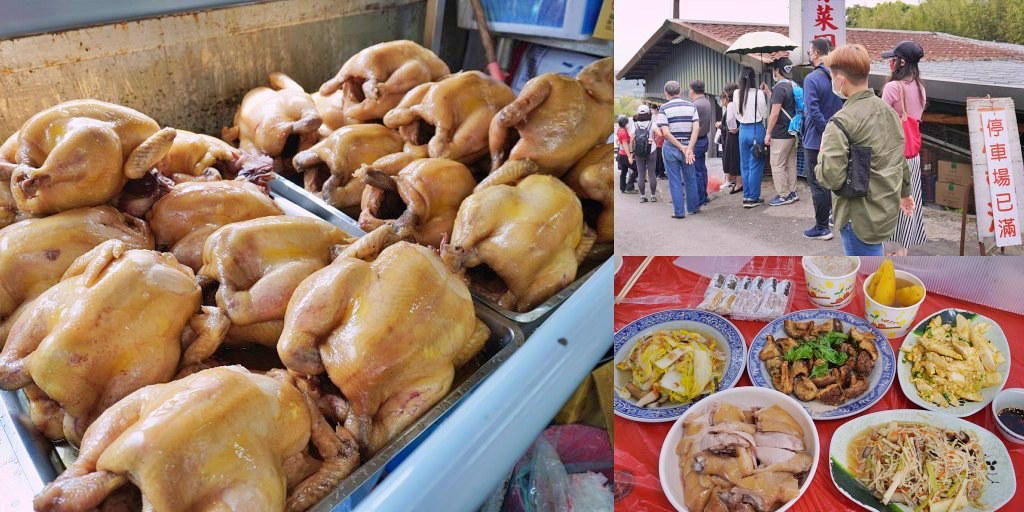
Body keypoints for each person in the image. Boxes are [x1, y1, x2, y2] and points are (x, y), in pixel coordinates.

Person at [815, 44, 913, 256]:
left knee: (865, 276)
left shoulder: (841, 121)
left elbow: (830, 177)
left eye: (832, 76)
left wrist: (820, 159)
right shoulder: (888, 112)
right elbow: (900, 158)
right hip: (884, 210)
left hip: (857, 216)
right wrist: (906, 192)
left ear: (840, 80)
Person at [881, 41, 927, 255]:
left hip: (893, 155)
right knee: (911, 198)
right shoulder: (920, 88)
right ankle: (903, 249)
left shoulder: (892, 88)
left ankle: (884, 247)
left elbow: (881, 121)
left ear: (900, 62)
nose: (890, 62)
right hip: (912, 153)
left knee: (887, 199)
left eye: (893, 59)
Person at [801, 37, 845, 239]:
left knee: (817, 182)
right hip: (836, 137)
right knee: (832, 181)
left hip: (815, 139)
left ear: (816, 53)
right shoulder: (837, 76)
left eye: (810, 52)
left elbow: (812, 110)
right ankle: (831, 217)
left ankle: (821, 227)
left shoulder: (812, 79)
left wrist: (825, 132)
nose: (809, 55)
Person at [656, 80, 700, 218]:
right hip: (688, 145)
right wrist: (688, 148)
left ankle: (679, 212)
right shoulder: (691, 106)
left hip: (671, 147)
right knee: (690, 178)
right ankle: (693, 208)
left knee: (674, 180)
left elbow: (666, 133)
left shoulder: (663, 108)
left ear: (666, 93)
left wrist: (681, 147)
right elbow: (696, 128)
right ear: (680, 91)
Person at [763, 57, 799, 206]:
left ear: (777, 71)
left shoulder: (779, 87)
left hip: (780, 133)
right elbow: (785, 104)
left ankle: (783, 195)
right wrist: (768, 93)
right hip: (792, 131)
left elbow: (775, 112)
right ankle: (792, 192)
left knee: (777, 164)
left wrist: (768, 132)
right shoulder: (793, 85)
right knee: (791, 162)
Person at [733, 66, 768, 208]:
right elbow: (765, 114)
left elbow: (737, 114)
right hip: (756, 129)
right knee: (756, 164)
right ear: (754, 78)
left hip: (743, 131)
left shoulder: (736, 93)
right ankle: (753, 197)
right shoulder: (759, 93)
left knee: (745, 164)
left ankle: (746, 195)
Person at [689, 80, 713, 206]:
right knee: (702, 169)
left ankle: (700, 198)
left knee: (697, 171)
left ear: (692, 90)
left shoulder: (695, 105)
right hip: (704, 139)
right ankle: (704, 195)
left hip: (696, 140)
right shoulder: (707, 102)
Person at [716, 83, 741, 193]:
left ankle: (738, 183)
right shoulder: (739, 102)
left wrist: (732, 128)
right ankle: (738, 182)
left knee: (734, 160)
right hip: (740, 133)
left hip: (732, 135)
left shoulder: (731, 105)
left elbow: (730, 121)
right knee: (738, 159)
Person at [630, 104, 658, 202]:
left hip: (638, 151)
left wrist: (631, 152)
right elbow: (660, 133)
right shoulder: (652, 123)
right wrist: (655, 140)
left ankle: (642, 196)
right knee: (652, 174)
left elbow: (631, 139)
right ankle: (653, 196)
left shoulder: (635, 124)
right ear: (648, 113)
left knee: (641, 174)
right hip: (652, 150)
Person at [616, 116, 636, 193]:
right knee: (636, 169)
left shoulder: (620, 130)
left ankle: (623, 187)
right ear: (625, 123)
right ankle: (629, 186)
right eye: (627, 123)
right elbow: (625, 145)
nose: (628, 124)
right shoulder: (623, 132)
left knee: (624, 171)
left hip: (621, 154)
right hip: (624, 155)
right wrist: (629, 157)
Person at [652, 105, 667, 179]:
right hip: (660, 141)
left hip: (657, 141)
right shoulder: (661, 118)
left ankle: (658, 172)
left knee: (658, 158)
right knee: (660, 158)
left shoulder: (656, 117)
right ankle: (660, 173)